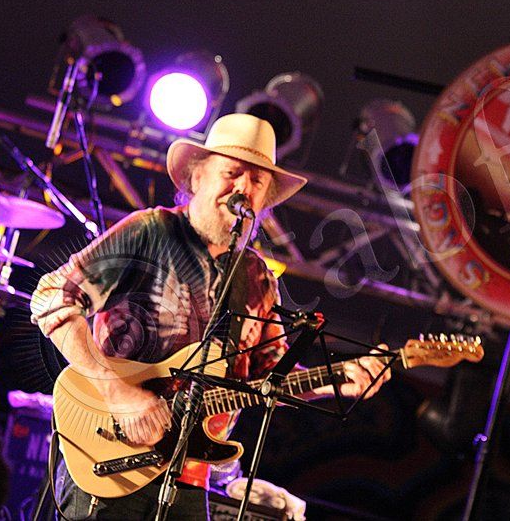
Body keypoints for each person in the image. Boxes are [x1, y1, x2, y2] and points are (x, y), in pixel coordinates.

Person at [30, 113, 391, 520]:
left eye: (257, 181)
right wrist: (119, 394)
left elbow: (269, 377)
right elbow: (51, 298)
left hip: (192, 474)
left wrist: (334, 382)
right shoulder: (152, 231)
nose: (243, 188)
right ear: (196, 178)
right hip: (112, 456)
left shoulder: (257, 278)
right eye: (233, 172)